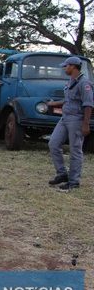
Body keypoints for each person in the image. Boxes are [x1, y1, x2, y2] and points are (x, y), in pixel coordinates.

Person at [47, 56, 93, 191]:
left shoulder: (84, 83)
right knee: (53, 143)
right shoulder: (71, 82)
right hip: (65, 117)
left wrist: (85, 124)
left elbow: (88, 105)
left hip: (77, 119)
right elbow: (69, 100)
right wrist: (54, 103)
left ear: (73, 66)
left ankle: (74, 182)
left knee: (75, 150)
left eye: (66, 66)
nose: (64, 68)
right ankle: (62, 174)